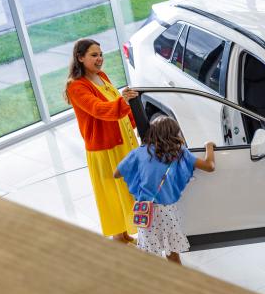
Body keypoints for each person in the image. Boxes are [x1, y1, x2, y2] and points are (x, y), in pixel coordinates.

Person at [65, 38, 140, 244]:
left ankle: (125, 234)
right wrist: (123, 101)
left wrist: (134, 121)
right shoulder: (76, 86)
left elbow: (116, 104)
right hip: (106, 148)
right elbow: (98, 109)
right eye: (94, 55)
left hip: (123, 140)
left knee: (127, 188)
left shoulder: (101, 76)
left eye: (100, 54)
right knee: (112, 192)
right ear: (80, 58)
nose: (99, 59)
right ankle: (118, 236)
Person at [114, 116, 215, 265]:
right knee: (172, 254)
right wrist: (209, 146)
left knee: (149, 254)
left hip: (145, 211)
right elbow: (210, 166)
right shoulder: (179, 152)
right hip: (168, 212)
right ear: (175, 134)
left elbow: (116, 174)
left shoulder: (139, 153)